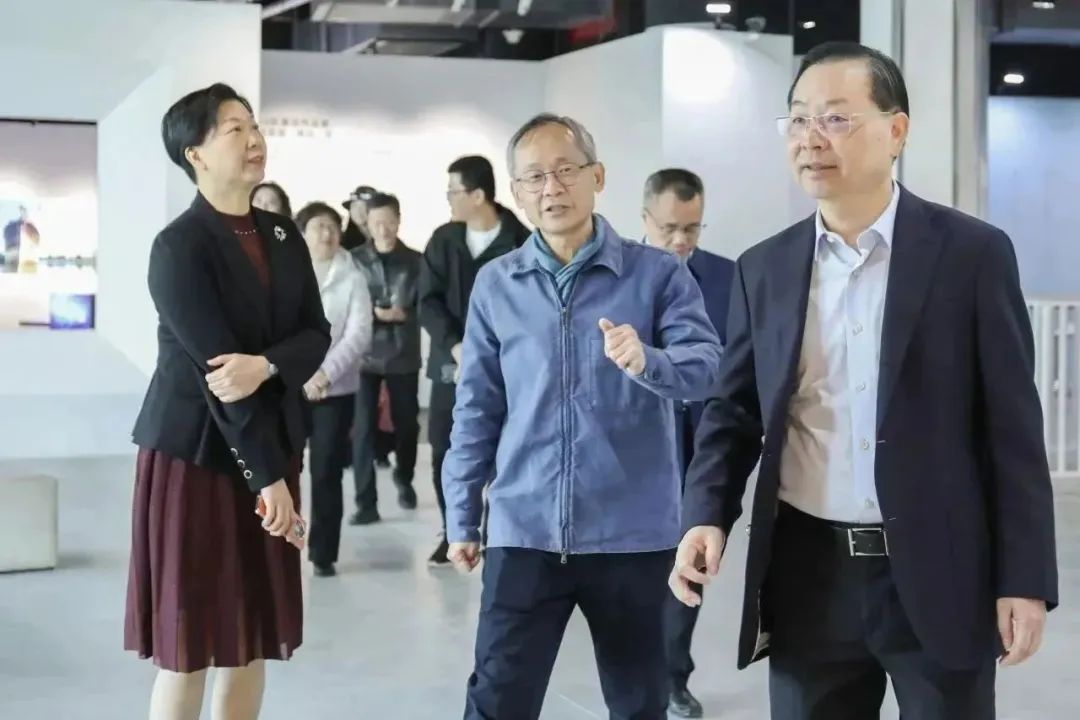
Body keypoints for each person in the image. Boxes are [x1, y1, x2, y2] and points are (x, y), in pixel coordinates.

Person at [670, 42, 1059, 720]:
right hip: (807, 575)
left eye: (836, 118)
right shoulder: (765, 268)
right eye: (798, 119)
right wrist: (706, 512)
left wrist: (1024, 577)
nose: (810, 139)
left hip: (940, 569)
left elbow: (1012, 430)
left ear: (896, 130)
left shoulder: (971, 254)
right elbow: (734, 411)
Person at [443, 114, 722, 720]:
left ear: (597, 177)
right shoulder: (497, 284)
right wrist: (462, 514)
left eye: (566, 170)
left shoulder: (657, 274)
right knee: (496, 700)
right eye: (535, 177)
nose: (552, 188)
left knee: (639, 703)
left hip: (633, 534)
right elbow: (477, 407)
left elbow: (706, 367)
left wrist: (649, 359)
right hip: (525, 530)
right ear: (516, 192)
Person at [126, 83, 330, 720]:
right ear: (195, 154)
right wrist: (266, 477)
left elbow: (315, 334)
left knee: (251, 638)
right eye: (234, 129)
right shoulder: (178, 246)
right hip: (198, 457)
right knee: (188, 644)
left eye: (254, 125)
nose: (254, 139)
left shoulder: (283, 233)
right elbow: (219, 377)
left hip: (272, 445)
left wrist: (266, 364)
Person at [641, 168, 734, 719]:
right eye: (669, 228)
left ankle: (673, 676)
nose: (680, 240)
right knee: (639, 568)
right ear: (645, 218)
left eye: (692, 229)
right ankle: (637, 674)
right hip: (637, 443)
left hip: (702, 440)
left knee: (690, 556)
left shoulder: (726, 277)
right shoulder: (621, 274)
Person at [418, 154, 529, 567]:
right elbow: (427, 301)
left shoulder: (520, 241)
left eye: (454, 191)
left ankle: (497, 530)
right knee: (445, 448)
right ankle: (454, 529)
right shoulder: (443, 239)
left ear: (478, 195)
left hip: (507, 368)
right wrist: (456, 345)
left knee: (505, 450)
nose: (449, 198)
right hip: (451, 366)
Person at [296, 201, 372, 577]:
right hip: (288, 387)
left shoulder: (353, 276)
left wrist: (324, 374)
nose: (326, 234)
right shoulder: (288, 272)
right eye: (318, 226)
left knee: (326, 470)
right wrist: (300, 374)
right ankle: (279, 545)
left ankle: (323, 552)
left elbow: (359, 334)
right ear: (302, 233)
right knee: (283, 468)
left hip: (335, 390)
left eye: (332, 226)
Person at [350, 192, 422, 525]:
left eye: (389, 221)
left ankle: (404, 477)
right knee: (363, 429)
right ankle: (366, 502)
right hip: (363, 355)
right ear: (367, 223)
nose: (384, 229)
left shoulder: (416, 261)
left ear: (399, 220)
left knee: (407, 424)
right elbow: (346, 305)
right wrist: (374, 315)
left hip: (403, 353)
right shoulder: (354, 260)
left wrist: (406, 314)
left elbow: (429, 305)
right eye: (377, 222)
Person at [341, 184, 377, 252]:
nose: (359, 211)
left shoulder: (385, 238)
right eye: (354, 206)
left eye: (365, 206)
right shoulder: (340, 243)